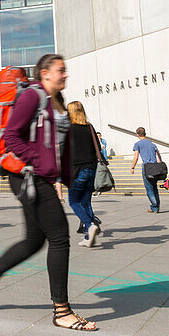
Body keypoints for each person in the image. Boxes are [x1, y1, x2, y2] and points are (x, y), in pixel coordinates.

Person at [0, 54, 97, 332]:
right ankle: (62, 311)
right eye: (60, 70)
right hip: (27, 175)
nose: (65, 75)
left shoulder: (55, 101)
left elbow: (60, 145)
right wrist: (38, 160)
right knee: (60, 236)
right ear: (45, 73)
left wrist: (67, 179)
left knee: (34, 241)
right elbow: (11, 137)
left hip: (39, 176)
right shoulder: (32, 97)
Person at [67, 102, 105, 247]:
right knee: (86, 202)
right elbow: (97, 147)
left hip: (76, 170)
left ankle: (90, 225)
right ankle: (89, 237)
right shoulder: (89, 127)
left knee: (73, 202)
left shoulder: (69, 129)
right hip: (91, 168)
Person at [130, 127, 164, 213]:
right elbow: (158, 155)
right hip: (155, 167)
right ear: (145, 133)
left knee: (149, 188)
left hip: (147, 167)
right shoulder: (152, 144)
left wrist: (132, 167)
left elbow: (136, 156)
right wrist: (160, 164)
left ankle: (154, 206)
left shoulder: (137, 144)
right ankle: (156, 206)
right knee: (154, 187)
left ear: (137, 134)